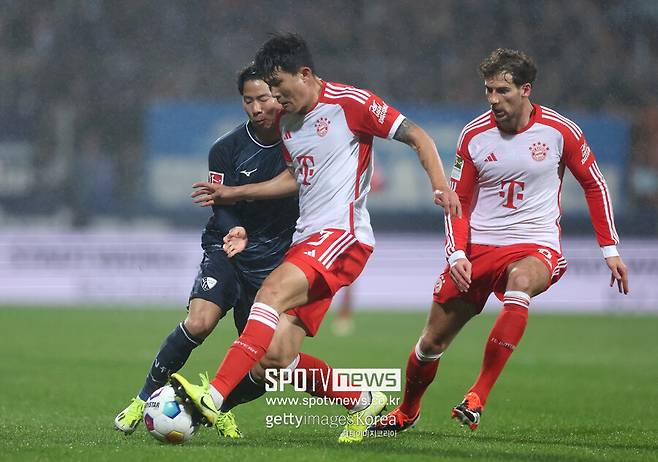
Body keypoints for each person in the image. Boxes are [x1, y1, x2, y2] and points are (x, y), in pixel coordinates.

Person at [172, 33, 461, 443]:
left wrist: (440, 184)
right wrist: (235, 193)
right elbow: (295, 178)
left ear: (303, 74)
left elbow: (418, 136)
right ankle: (365, 401)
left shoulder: (350, 104)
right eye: (268, 90)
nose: (274, 98)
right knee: (276, 357)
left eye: (278, 86)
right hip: (307, 241)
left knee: (268, 293)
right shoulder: (289, 124)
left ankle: (213, 397)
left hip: (342, 236)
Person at [373, 48, 630, 433]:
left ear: (526, 90)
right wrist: (457, 253)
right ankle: (408, 411)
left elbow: (594, 184)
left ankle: (477, 396)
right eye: (488, 90)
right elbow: (458, 203)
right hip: (479, 248)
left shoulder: (561, 132)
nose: (493, 100)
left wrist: (609, 249)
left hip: (535, 244)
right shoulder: (474, 136)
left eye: (502, 91)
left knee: (521, 283)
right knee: (430, 345)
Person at [113, 65, 299, 437]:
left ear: (279, 97)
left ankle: (217, 407)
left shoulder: (301, 143)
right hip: (227, 247)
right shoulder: (226, 148)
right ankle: (142, 399)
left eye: (263, 98)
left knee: (270, 361)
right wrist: (234, 229)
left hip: (275, 259)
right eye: (248, 100)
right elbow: (220, 202)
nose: (256, 108)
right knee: (199, 322)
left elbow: (297, 186)